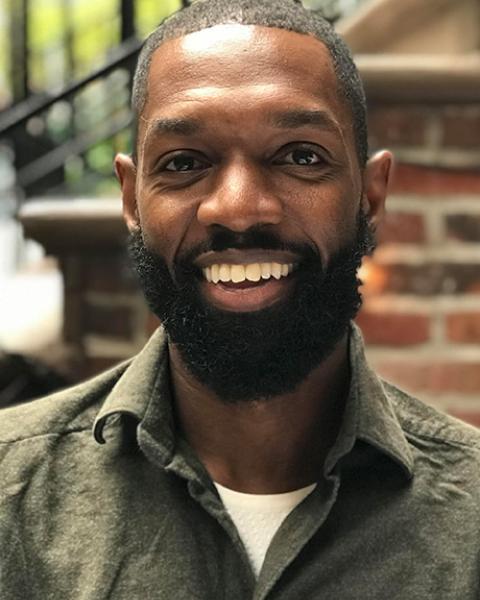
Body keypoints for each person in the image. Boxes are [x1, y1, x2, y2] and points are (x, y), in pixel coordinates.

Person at [1, 1, 479, 598]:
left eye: (301, 157)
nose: (238, 207)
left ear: (370, 196)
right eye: (183, 163)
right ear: (131, 200)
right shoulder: (9, 496)